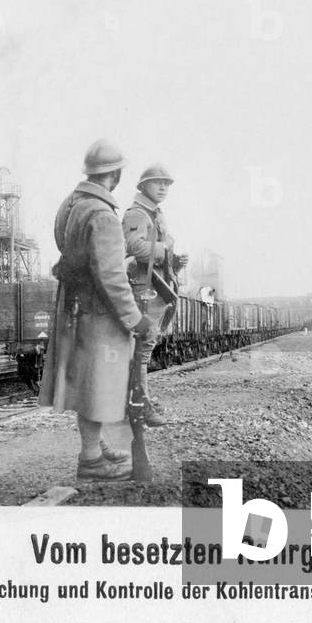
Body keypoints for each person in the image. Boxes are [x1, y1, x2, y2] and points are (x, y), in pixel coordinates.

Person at [38, 139, 157, 482]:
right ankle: (91, 459)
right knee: (100, 386)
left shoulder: (71, 204)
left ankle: (96, 445)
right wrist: (136, 319)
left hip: (76, 306)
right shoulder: (103, 216)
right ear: (115, 175)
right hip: (100, 313)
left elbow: (68, 249)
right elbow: (112, 276)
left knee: (88, 383)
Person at [122, 164, 188, 426]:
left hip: (156, 286)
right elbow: (136, 248)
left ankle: (140, 400)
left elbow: (158, 252)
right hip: (143, 289)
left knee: (144, 349)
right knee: (142, 350)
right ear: (143, 186)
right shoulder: (137, 214)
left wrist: (175, 259)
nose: (163, 187)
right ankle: (140, 406)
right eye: (157, 183)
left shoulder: (155, 213)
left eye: (166, 184)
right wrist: (166, 248)